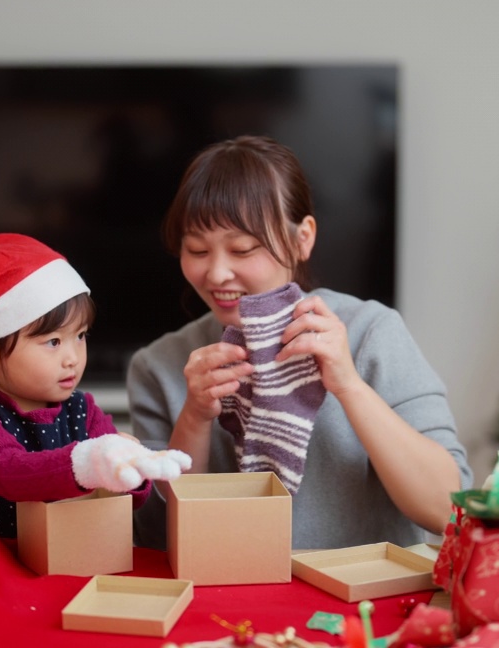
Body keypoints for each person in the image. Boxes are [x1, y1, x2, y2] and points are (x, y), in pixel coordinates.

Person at [129, 136, 472, 550]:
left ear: (302, 238)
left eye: (243, 248)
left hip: (363, 606)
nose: (217, 273)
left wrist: (349, 385)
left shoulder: (371, 333)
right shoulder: (159, 366)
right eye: (197, 249)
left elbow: (447, 511)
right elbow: (157, 540)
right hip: (227, 607)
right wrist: (195, 418)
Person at [0, 233, 191, 539]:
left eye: (80, 336)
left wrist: (132, 470)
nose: (73, 358)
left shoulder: (84, 411)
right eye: (53, 342)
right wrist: (91, 462)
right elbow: (12, 473)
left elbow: (129, 501)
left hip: (61, 561)